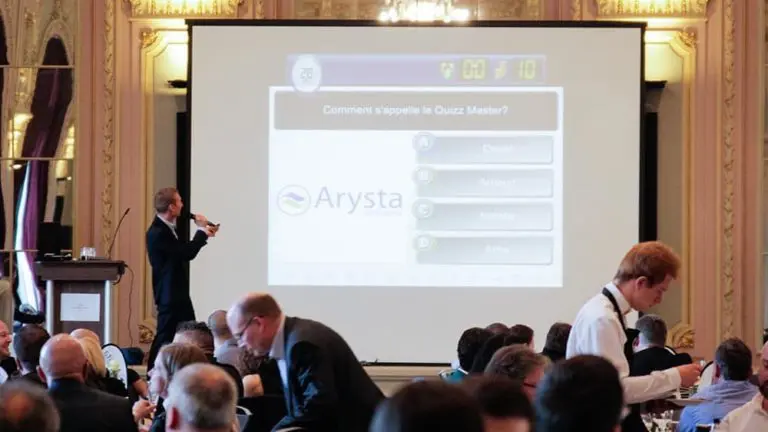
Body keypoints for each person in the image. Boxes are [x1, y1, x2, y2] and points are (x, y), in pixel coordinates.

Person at [566, 241, 701, 432]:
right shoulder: (603, 319)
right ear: (641, 283)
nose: (659, 300)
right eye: (660, 291)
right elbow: (617, 389)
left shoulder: (607, 313)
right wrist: (676, 376)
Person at [227, 293, 384, 431]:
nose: (241, 344)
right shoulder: (292, 338)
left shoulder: (302, 345)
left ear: (259, 324)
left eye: (240, 336)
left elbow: (317, 406)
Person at [146, 187, 218, 370]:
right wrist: (202, 232)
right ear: (171, 207)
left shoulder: (165, 227)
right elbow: (185, 253)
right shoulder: (158, 232)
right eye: (179, 201)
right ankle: (154, 372)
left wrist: (198, 222)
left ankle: (188, 370)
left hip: (176, 293)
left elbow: (182, 248)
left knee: (190, 333)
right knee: (166, 336)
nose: (182, 204)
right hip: (169, 295)